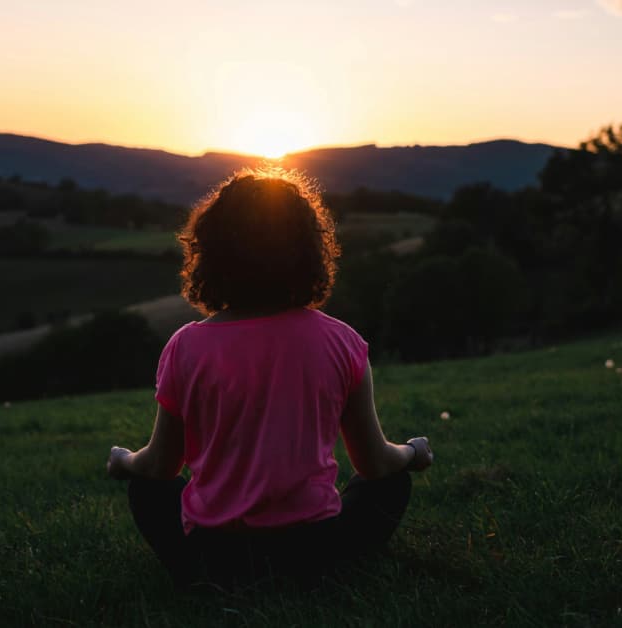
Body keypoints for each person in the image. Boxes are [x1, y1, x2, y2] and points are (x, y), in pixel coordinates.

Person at [106, 169, 433, 590]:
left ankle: (201, 575)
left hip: (212, 556)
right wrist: (412, 451)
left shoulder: (185, 347)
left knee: (146, 489)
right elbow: (374, 464)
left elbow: (160, 466)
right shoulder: (342, 341)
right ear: (308, 251)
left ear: (211, 252)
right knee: (391, 485)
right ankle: (324, 571)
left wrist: (123, 460)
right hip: (315, 553)